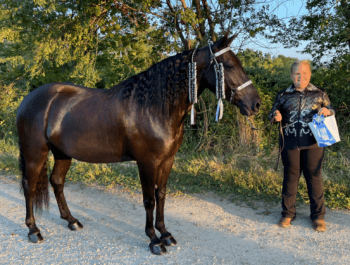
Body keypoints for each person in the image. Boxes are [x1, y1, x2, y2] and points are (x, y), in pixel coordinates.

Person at [268, 60, 335, 232]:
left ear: (309, 75)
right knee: (290, 177)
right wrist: (274, 115)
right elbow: (272, 113)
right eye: (297, 74)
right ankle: (288, 213)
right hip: (289, 143)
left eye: (304, 74)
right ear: (291, 75)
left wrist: (327, 111)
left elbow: (331, 109)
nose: (301, 77)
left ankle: (318, 216)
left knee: (314, 177)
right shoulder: (283, 95)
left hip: (313, 143)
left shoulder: (319, 94)